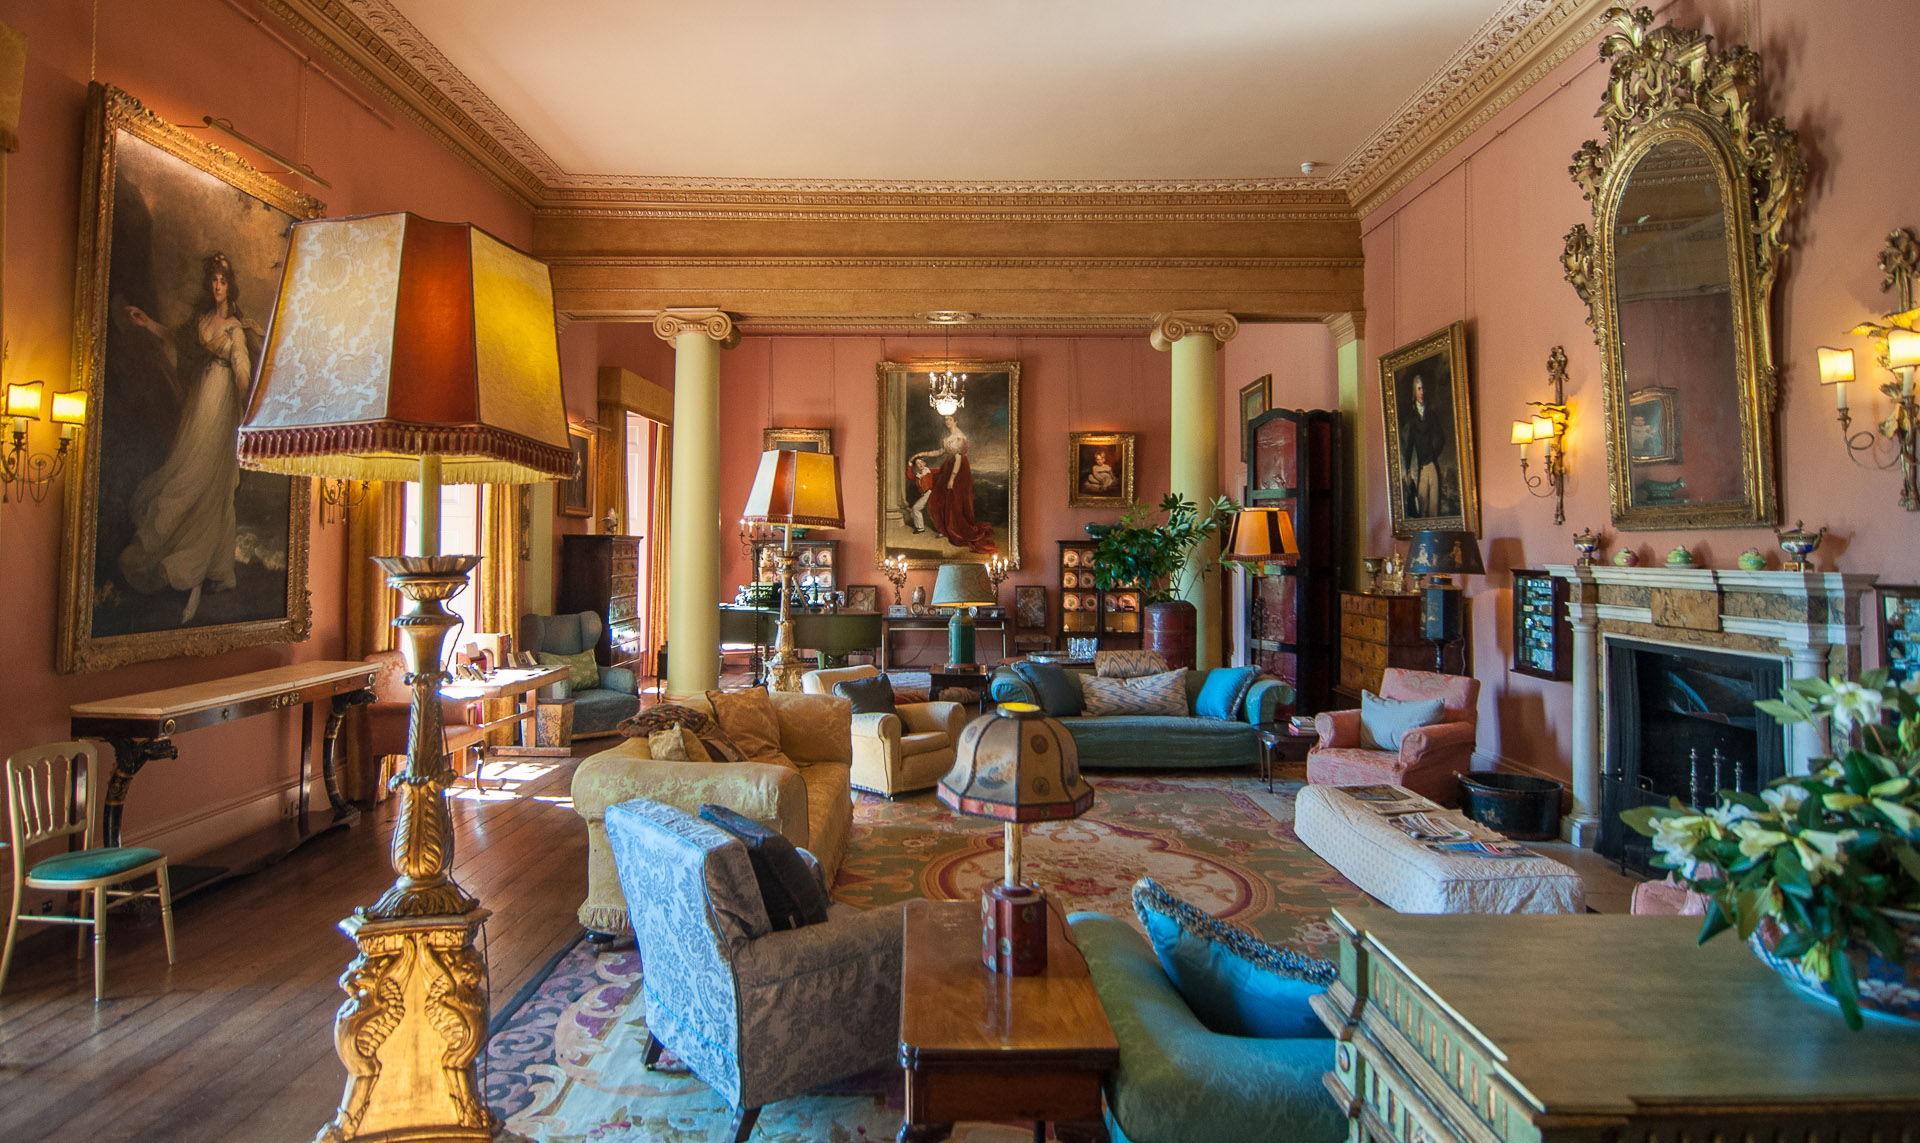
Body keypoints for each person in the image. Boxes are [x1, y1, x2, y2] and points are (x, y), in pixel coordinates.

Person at [117, 253, 259, 624]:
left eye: (222, 281)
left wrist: (249, 401)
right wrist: (148, 323)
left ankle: (199, 565)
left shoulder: (235, 328)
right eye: (213, 280)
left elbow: (242, 369)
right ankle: (205, 564)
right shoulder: (202, 321)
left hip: (221, 406)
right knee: (187, 470)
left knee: (209, 480)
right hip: (200, 403)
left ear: (230, 285)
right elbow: (180, 342)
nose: (217, 286)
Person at [920, 413, 997, 553]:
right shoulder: (948, 438)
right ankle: (944, 529)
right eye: (946, 419)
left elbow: (958, 459)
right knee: (938, 498)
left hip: (958, 470)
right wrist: (923, 454)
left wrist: (952, 479)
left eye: (950, 419)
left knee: (954, 500)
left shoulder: (959, 437)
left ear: (956, 421)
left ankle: (952, 529)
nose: (947, 421)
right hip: (948, 467)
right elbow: (940, 451)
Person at [1401, 371, 1449, 519]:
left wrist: (1432, 456)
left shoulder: (1432, 415)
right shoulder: (1412, 419)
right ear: (1414, 392)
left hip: (1432, 464)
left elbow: (1441, 438)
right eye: (1419, 389)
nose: (1422, 392)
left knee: (1434, 506)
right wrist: (1407, 469)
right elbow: (1409, 446)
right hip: (1420, 468)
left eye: (1423, 388)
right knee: (1422, 506)